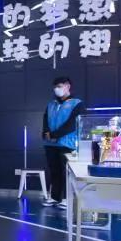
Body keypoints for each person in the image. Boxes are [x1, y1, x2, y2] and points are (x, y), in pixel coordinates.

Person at [42, 76, 84, 208]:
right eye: (55, 87)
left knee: (67, 172)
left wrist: (55, 135)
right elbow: (45, 121)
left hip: (67, 143)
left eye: (59, 86)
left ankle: (67, 199)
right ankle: (54, 197)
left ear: (68, 86)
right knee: (54, 171)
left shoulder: (77, 104)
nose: (56, 89)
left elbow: (72, 124)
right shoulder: (51, 104)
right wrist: (46, 134)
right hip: (51, 144)